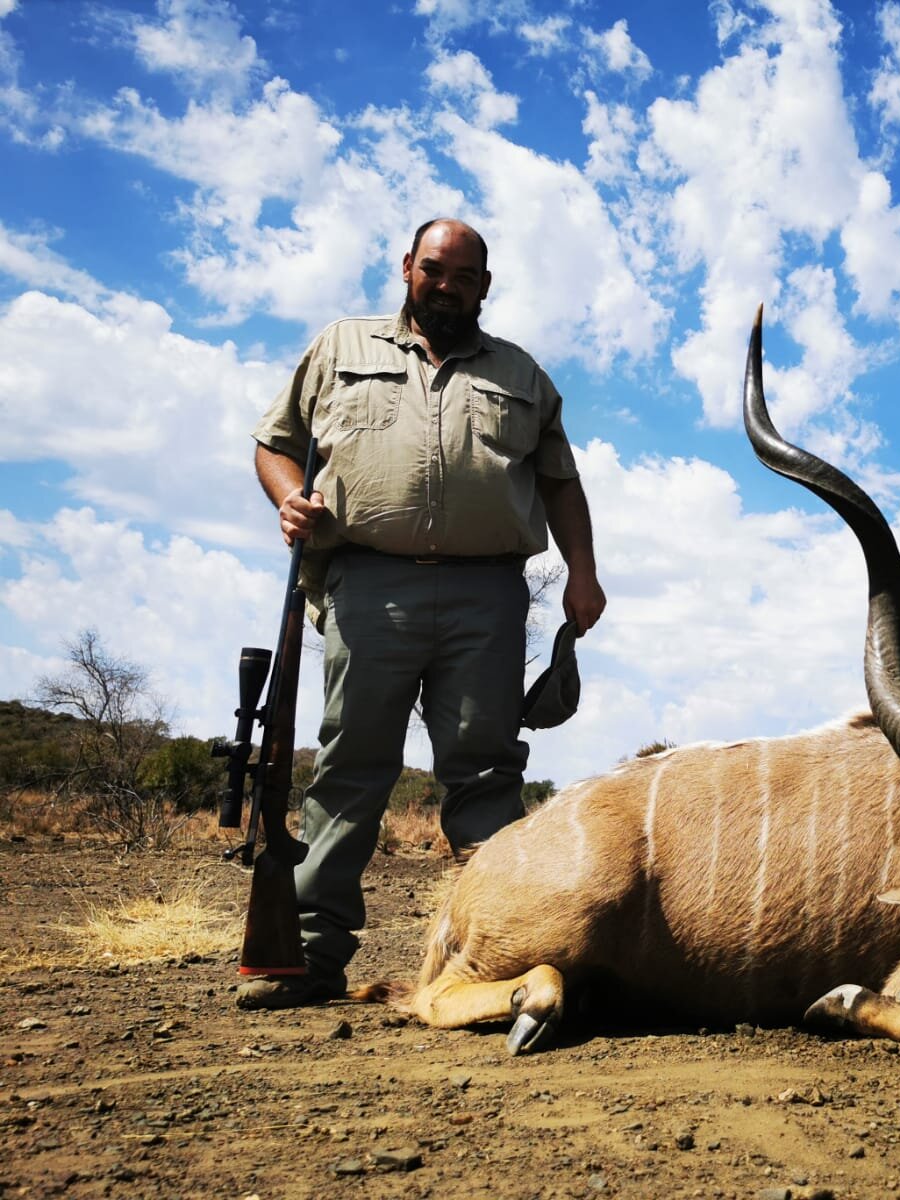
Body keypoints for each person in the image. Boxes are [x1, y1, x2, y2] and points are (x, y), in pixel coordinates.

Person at [240, 218, 606, 1009]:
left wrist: (583, 571)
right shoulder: (341, 348)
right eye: (434, 269)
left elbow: (561, 483)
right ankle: (307, 954)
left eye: (464, 275)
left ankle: (510, 951)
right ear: (407, 267)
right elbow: (274, 444)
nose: (448, 285)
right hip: (369, 586)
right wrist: (288, 498)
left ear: (485, 285)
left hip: (488, 595)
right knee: (350, 770)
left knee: (486, 777)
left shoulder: (523, 374)